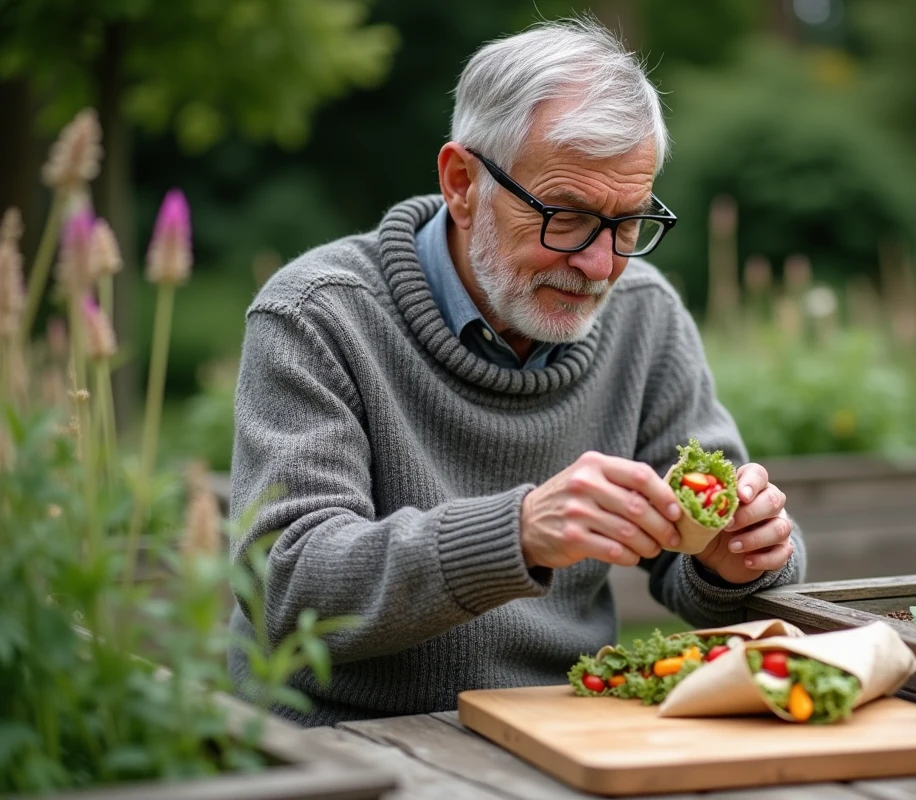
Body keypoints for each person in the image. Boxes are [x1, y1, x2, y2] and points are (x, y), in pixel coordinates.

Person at [227, 17, 806, 727]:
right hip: (345, 743)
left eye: (628, 224)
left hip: (562, 728)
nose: (601, 266)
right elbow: (286, 585)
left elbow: (715, 567)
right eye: (565, 216)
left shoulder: (644, 314)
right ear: (462, 183)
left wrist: (739, 559)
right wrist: (518, 532)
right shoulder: (317, 315)